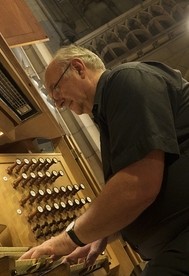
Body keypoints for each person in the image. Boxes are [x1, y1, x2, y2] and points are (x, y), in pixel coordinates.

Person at [19, 45, 189, 275]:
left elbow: (138, 186)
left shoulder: (127, 80)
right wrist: (104, 232)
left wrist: (67, 240)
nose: (58, 103)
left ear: (78, 68)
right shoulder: (109, 110)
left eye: (56, 90)